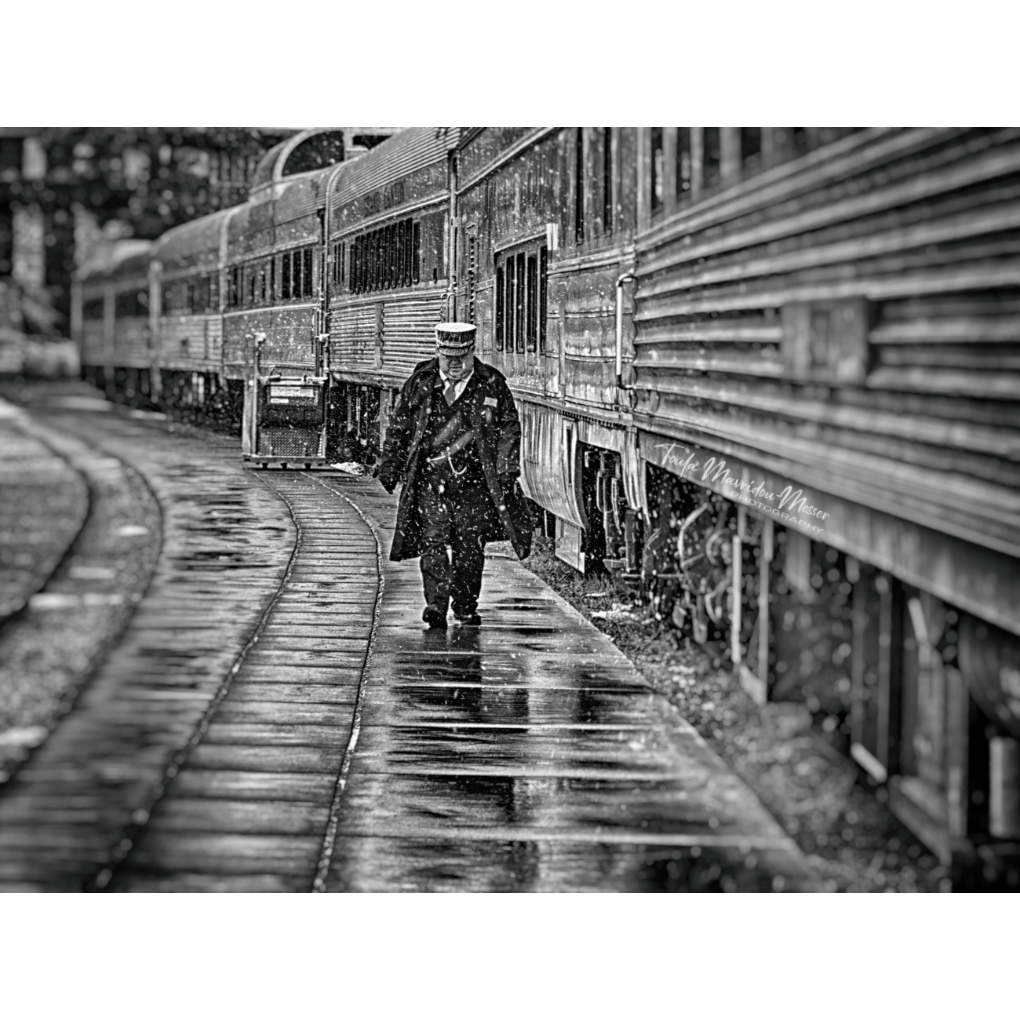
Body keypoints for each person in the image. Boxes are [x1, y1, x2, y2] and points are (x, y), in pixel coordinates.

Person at [376, 322, 532, 630]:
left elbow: (509, 428)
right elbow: (400, 425)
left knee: (469, 547)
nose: (455, 364)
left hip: (473, 484)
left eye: (462, 356)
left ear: (473, 352)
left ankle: (464, 606)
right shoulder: (421, 382)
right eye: (448, 357)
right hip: (431, 481)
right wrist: (390, 465)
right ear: (438, 353)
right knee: (432, 543)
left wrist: (505, 470)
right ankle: (436, 604)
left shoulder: (491, 384)